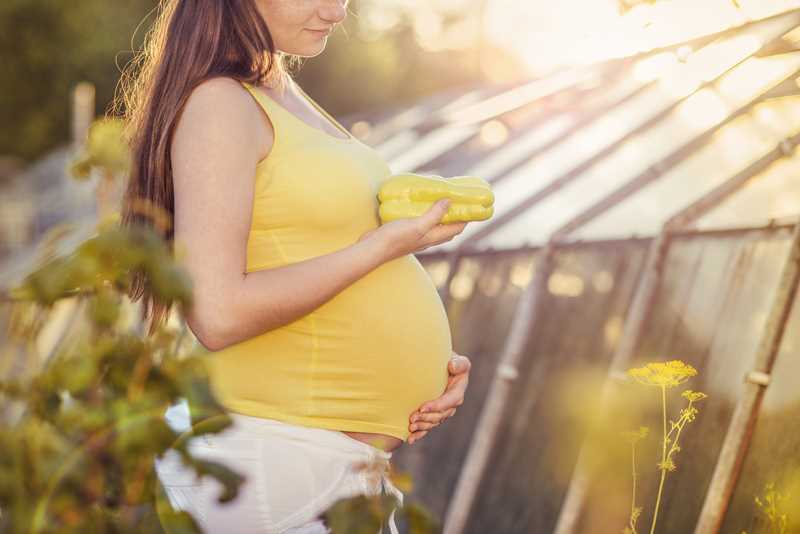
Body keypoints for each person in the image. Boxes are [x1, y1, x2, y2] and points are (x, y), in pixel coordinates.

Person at [118, 1, 473, 532]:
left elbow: (308, 252)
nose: (338, 9)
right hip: (277, 464)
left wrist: (428, 364)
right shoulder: (220, 103)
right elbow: (216, 313)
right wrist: (381, 247)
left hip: (331, 472)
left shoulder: (280, 89)